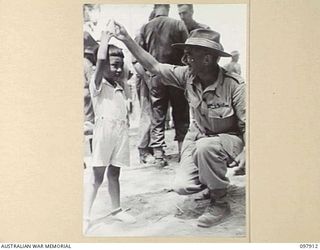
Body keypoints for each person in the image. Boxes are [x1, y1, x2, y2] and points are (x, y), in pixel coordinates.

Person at [111, 24, 246, 228]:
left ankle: (220, 203)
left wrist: (248, 153)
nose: (185, 60)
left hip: (229, 139)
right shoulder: (188, 76)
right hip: (200, 137)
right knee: (183, 186)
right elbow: (155, 67)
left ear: (207, 59)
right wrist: (126, 38)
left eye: (190, 55)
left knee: (206, 148)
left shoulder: (234, 85)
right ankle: (212, 183)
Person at [83, 27, 136, 234]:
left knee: (115, 174)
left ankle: (116, 210)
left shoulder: (120, 87)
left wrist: (120, 42)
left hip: (120, 133)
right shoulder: (97, 85)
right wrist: (104, 40)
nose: (118, 69)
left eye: (119, 66)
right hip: (104, 133)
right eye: (114, 65)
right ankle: (86, 216)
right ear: (103, 66)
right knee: (97, 177)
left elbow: (126, 69)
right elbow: (101, 62)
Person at [135, 4, 190, 166]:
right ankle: (183, 153)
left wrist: (148, 75)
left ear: (155, 8)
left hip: (155, 77)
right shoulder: (178, 24)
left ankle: (159, 155)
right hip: (175, 74)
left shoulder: (145, 27)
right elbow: (188, 50)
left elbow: (138, 55)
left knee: (157, 115)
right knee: (181, 114)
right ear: (167, 7)